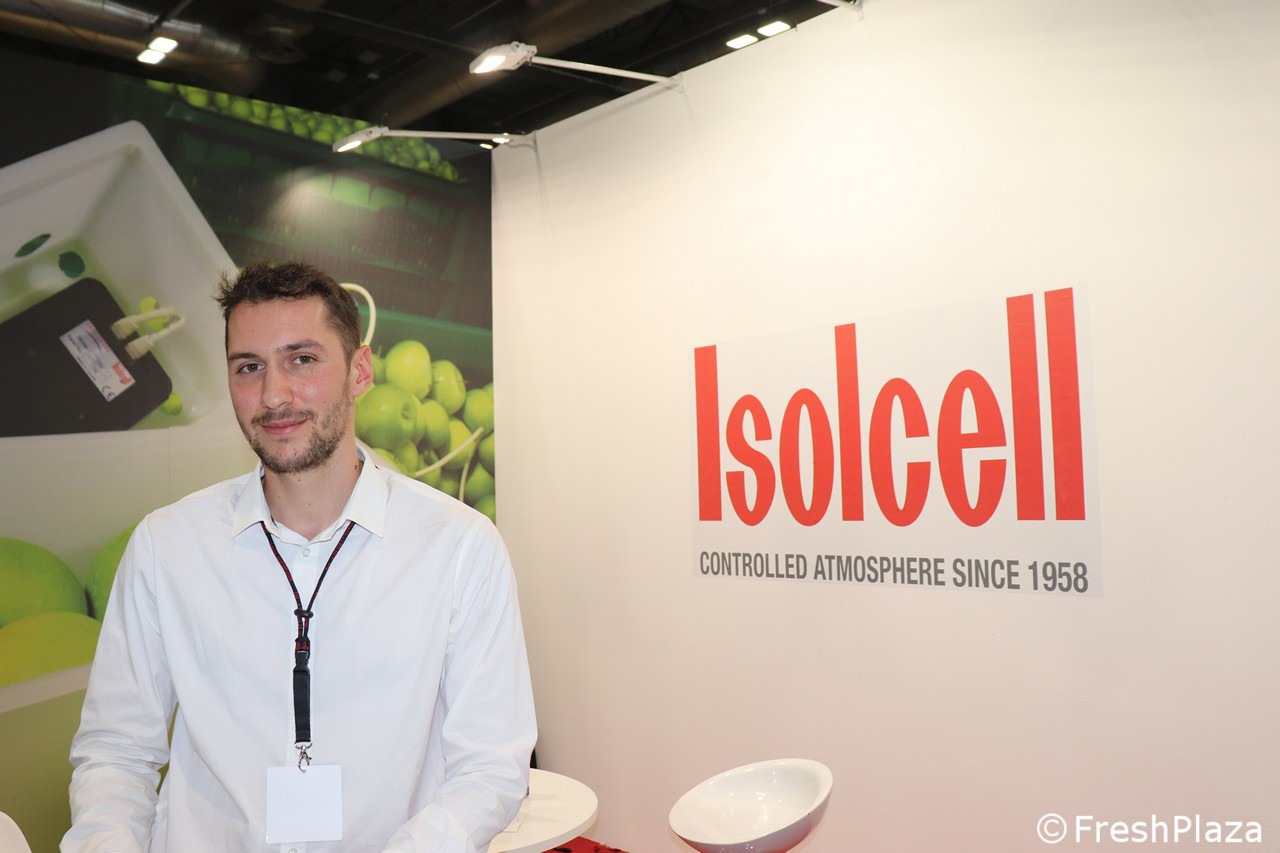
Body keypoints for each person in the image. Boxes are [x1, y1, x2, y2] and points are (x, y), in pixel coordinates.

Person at [62, 261, 537, 853]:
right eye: (249, 367)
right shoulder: (168, 546)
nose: (273, 395)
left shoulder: (458, 546)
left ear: (359, 371)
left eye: (302, 359)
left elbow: (490, 766)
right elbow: (115, 753)